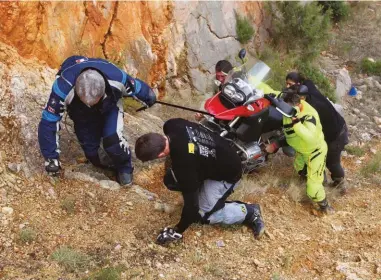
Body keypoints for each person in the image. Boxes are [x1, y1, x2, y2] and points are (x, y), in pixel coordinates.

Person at [135, 118, 265, 245]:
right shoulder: (172, 125)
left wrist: (179, 230)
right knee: (171, 180)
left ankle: (250, 212)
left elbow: (192, 207)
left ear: (159, 155)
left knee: (202, 216)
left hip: (228, 174)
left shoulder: (184, 165)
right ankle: (204, 192)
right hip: (221, 154)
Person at [38, 55, 156, 186]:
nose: (91, 104)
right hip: (81, 113)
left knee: (113, 140)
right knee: (93, 155)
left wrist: (149, 96)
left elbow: (135, 87)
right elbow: (49, 121)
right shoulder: (63, 86)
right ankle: (108, 163)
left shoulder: (116, 77)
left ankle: (124, 168)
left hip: (110, 106)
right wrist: (51, 158)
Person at [266, 89, 333, 214]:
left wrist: (297, 124)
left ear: (297, 106)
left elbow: (310, 137)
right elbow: (270, 90)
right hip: (302, 150)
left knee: (313, 189)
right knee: (299, 168)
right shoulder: (288, 104)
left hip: (315, 152)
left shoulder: (309, 116)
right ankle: (313, 176)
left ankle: (325, 206)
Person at [285, 72, 349, 191]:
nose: (288, 87)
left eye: (291, 85)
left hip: (335, 134)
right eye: (287, 84)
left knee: (332, 162)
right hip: (334, 127)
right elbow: (306, 81)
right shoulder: (307, 87)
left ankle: (339, 184)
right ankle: (321, 181)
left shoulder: (311, 107)